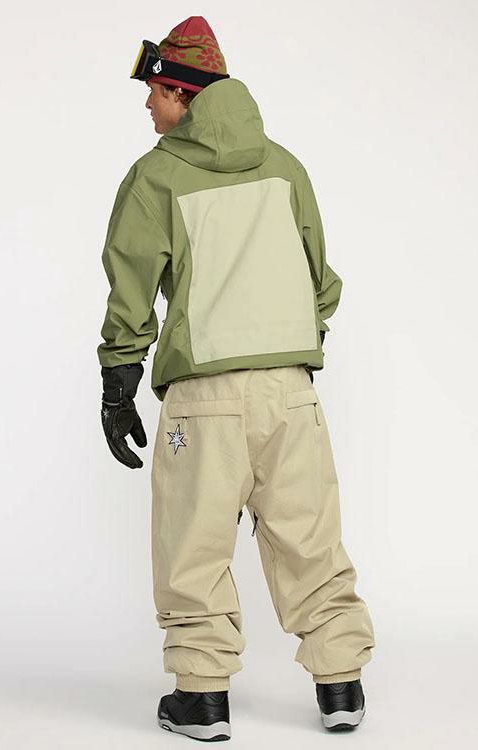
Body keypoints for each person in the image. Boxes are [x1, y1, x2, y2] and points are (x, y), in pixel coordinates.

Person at [97, 16, 375, 742]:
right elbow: (321, 282)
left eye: (155, 92)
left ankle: (202, 698)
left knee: (194, 544)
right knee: (309, 537)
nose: (148, 105)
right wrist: (291, 347)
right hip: (291, 393)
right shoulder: (285, 167)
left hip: (204, 399)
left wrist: (118, 382)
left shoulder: (156, 175)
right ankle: (341, 684)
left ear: (182, 94)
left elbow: (131, 289)